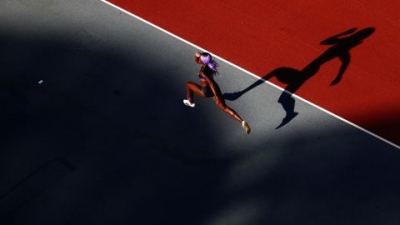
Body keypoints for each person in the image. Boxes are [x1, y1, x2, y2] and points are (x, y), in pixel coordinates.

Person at [183, 51, 251, 134]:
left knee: (188, 84)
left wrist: (216, 96)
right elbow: (197, 61)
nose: (199, 60)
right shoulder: (209, 65)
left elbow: (211, 83)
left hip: (207, 91)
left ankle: (190, 102)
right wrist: (196, 56)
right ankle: (242, 122)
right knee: (225, 108)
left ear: (203, 61)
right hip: (215, 88)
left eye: (200, 59)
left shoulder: (203, 72)